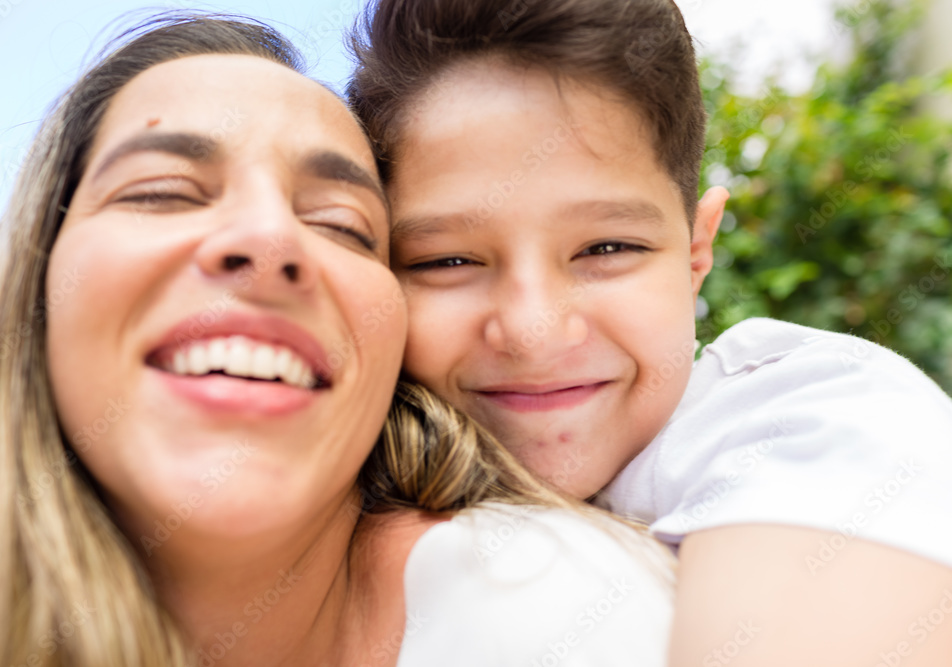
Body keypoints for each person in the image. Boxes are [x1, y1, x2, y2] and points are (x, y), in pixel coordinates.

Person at [0, 14, 674, 667]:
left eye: (341, 225)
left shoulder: (558, 609)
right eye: (162, 192)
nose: (270, 240)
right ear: (37, 276)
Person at [348, 0, 952, 664]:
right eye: (448, 261)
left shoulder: (817, 417)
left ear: (697, 251)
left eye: (606, 247)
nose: (533, 330)